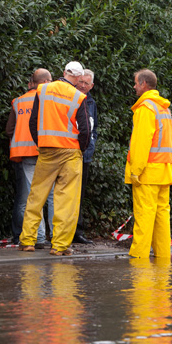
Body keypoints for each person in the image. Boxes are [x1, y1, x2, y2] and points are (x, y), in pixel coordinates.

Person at [18, 61, 91, 256]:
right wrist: (80, 150)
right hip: (70, 153)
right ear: (78, 78)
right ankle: (59, 245)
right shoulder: (78, 96)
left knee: (36, 196)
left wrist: (41, 142)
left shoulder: (43, 90)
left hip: (47, 150)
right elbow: (85, 129)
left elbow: (33, 121)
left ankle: (27, 241)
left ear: (64, 72)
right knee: (66, 201)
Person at [125, 69, 172, 258]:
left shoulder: (146, 108)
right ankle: (163, 256)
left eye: (136, 83)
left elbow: (141, 143)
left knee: (144, 215)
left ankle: (139, 256)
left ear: (144, 84)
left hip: (147, 171)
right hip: (164, 170)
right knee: (162, 216)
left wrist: (135, 171)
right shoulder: (163, 108)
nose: (134, 86)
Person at [6, 69, 54, 248]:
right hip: (47, 151)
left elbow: (9, 130)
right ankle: (56, 237)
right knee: (52, 196)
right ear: (46, 81)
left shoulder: (18, 101)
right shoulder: (49, 100)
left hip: (25, 153)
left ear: (32, 83)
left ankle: (38, 237)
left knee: (32, 197)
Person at [72, 69, 98, 245]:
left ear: (91, 86)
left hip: (85, 155)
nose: (82, 85)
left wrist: (91, 144)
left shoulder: (91, 103)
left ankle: (77, 232)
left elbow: (93, 128)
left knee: (79, 194)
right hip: (70, 152)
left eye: (86, 83)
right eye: (80, 81)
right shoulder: (70, 98)